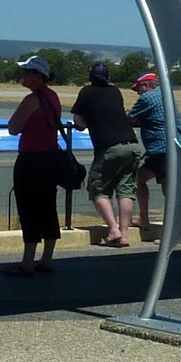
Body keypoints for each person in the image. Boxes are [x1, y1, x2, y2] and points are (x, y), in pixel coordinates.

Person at [4, 55, 63, 276]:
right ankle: (46, 257)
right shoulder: (53, 97)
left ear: (38, 76)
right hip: (50, 158)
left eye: (27, 72)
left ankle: (27, 260)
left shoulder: (32, 100)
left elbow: (13, 127)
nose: (23, 76)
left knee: (28, 208)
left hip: (31, 160)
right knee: (48, 206)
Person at [71, 62, 141, 247]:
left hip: (108, 147)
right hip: (131, 143)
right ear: (108, 78)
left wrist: (85, 123)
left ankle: (113, 230)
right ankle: (124, 235)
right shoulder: (115, 91)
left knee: (98, 188)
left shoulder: (86, 92)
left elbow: (79, 120)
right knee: (125, 190)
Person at [128, 72, 169, 228]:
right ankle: (143, 218)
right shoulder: (165, 95)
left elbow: (130, 116)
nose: (138, 92)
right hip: (160, 149)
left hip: (162, 148)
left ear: (146, 86)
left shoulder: (147, 98)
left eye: (139, 88)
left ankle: (168, 230)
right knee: (139, 178)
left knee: (168, 187)